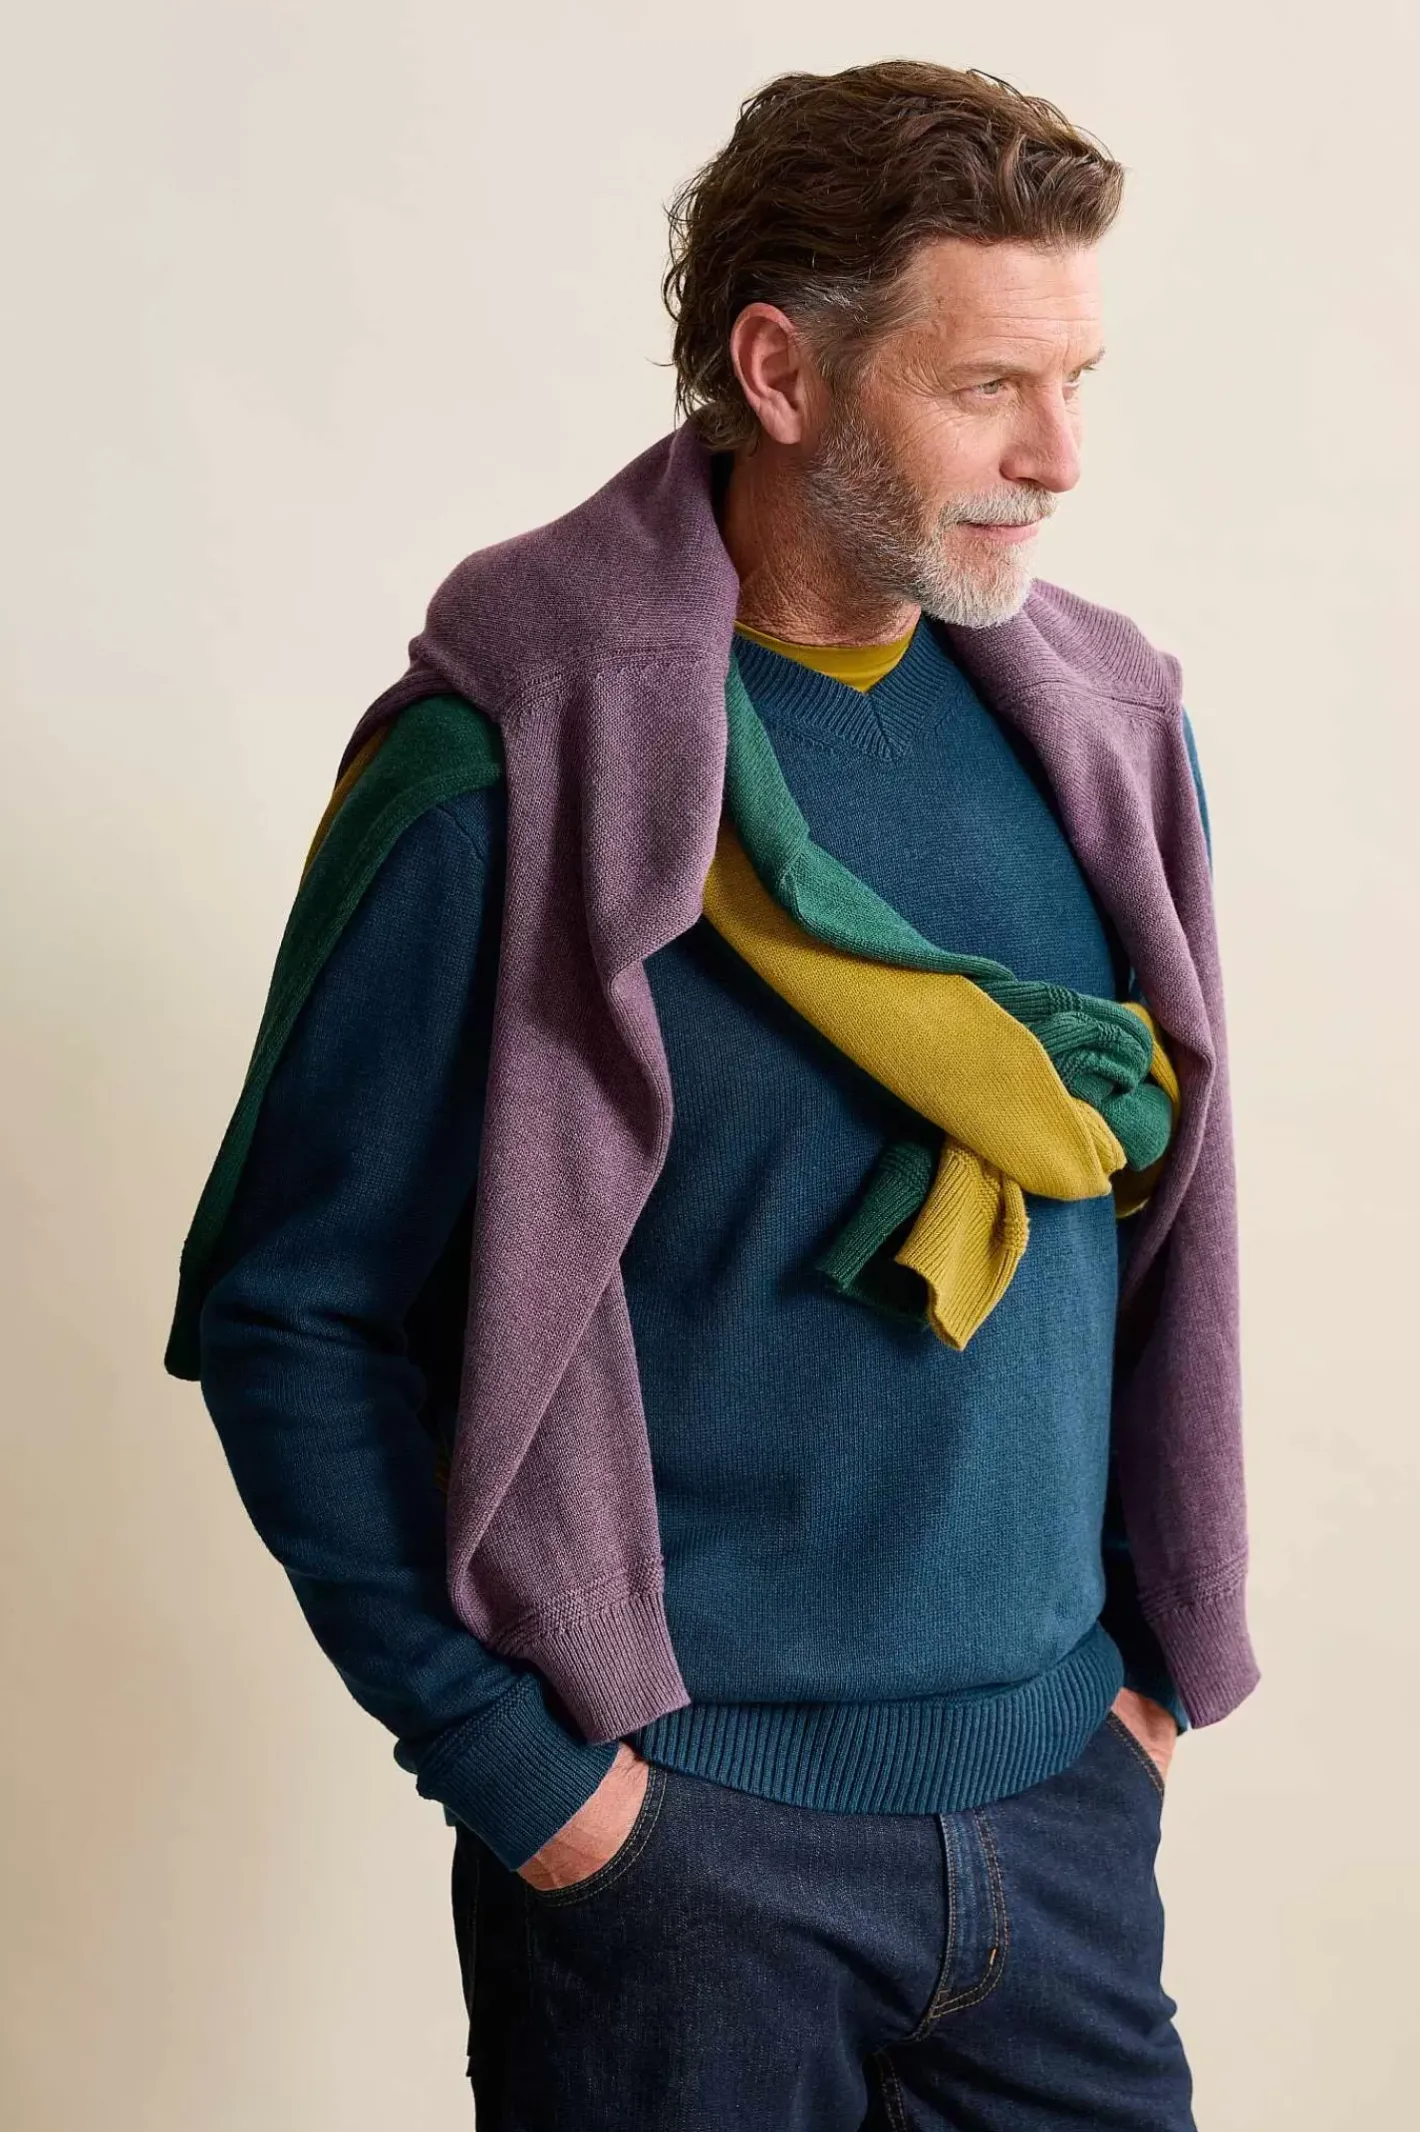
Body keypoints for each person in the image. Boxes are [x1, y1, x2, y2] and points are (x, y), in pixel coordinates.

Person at [166, 58, 1256, 2131]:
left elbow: (1150, 1243)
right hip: (678, 1858)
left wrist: (1126, 1701)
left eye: (1075, 380)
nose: (1059, 455)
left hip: (1056, 1818)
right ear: (781, 373)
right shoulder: (507, 769)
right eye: (986, 388)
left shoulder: (1109, 740)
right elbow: (287, 1309)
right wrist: (532, 1784)